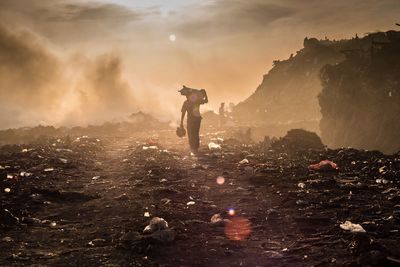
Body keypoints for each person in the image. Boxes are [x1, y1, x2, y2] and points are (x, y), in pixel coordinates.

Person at [179, 86, 208, 154]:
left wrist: (181, 122)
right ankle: (195, 148)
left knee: (191, 134)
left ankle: (193, 148)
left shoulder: (187, 102)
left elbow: (183, 113)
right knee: (195, 133)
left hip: (191, 120)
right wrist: (205, 94)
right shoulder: (196, 101)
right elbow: (206, 101)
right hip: (196, 120)